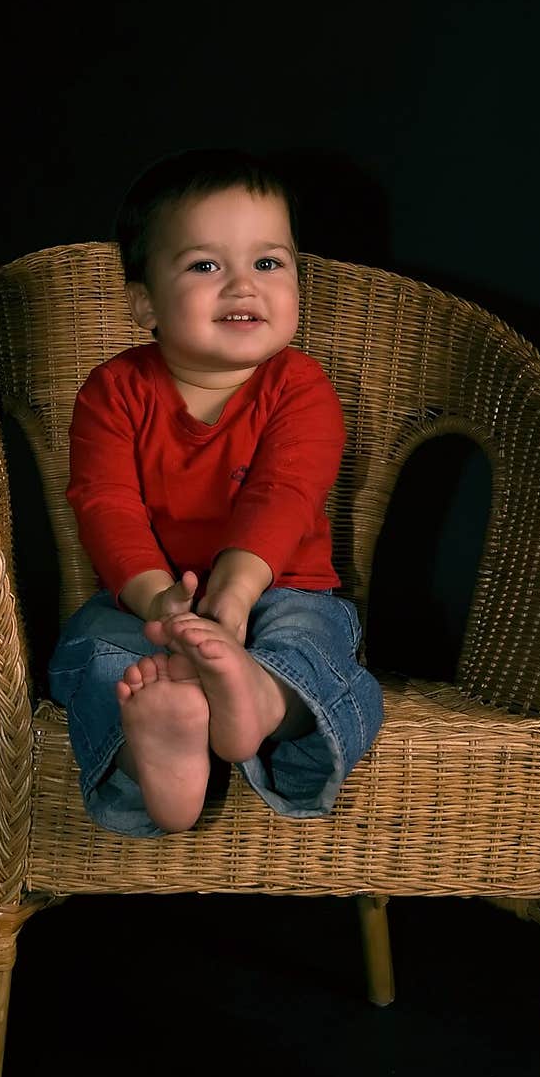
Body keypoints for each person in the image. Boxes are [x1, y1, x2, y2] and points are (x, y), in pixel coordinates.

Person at [48, 148, 383, 835]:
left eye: (269, 262)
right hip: (150, 600)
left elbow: (282, 496)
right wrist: (162, 600)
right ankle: (161, 747)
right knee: (94, 650)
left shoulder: (300, 387)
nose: (242, 286)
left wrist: (228, 605)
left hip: (282, 588)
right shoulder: (113, 392)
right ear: (144, 300)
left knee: (308, 647)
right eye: (206, 265)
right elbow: (105, 504)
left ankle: (260, 700)